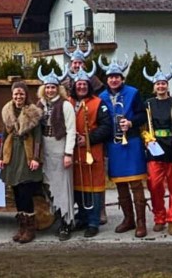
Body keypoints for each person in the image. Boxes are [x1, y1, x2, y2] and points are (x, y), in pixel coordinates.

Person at [99, 57, 149, 237]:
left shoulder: (133, 93)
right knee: (120, 185)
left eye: (117, 77)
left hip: (132, 143)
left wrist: (131, 122)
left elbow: (142, 115)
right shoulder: (101, 97)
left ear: (122, 78)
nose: (114, 80)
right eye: (111, 77)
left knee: (136, 184)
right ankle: (128, 219)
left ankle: (141, 222)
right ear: (107, 79)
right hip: (114, 145)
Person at [0, 80, 43, 244]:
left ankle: (30, 229)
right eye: (16, 94)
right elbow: (4, 135)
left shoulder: (33, 113)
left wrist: (35, 158)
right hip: (12, 153)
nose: (18, 97)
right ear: (12, 95)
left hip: (27, 154)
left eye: (21, 94)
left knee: (25, 191)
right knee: (16, 191)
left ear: (26, 95)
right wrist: (1, 157)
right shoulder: (8, 111)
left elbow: (38, 138)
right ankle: (21, 226)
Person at [69, 64, 110, 238]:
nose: (81, 87)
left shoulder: (98, 103)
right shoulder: (68, 102)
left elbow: (106, 127)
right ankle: (83, 217)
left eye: (84, 84)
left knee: (93, 187)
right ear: (74, 86)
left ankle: (93, 222)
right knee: (78, 187)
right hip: (74, 152)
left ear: (89, 86)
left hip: (92, 151)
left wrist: (88, 138)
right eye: (78, 84)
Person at [36, 66, 77, 240]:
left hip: (60, 147)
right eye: (47, 87)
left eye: (53, 87)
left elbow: (71, 130)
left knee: (62, 187)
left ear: (58, 88)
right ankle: (57, 218)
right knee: (48, 186)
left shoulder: (66, 105)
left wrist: (68, 154)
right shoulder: (39, 105)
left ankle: (66, 223)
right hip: (45, 148)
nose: (50, 90)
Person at [142, 65, 172, 236]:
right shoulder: (148, 103)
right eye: (158, 84)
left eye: (163, 83)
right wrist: (145, 138)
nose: (161, 86)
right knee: (154, 185)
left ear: (167, 85)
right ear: (154, 86)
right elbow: (142, 123)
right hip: (155, 149)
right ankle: (159, 218)